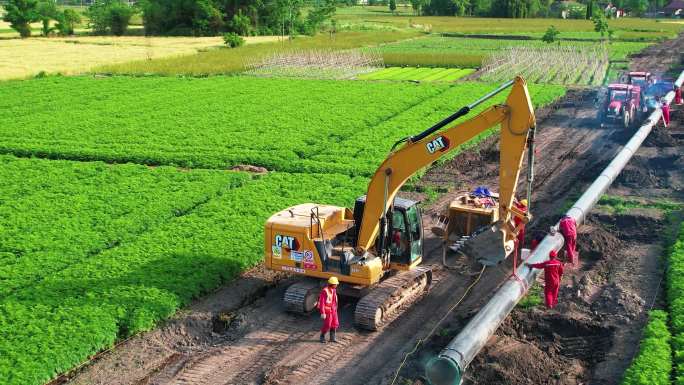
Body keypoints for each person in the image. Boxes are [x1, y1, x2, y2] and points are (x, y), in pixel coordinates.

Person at [319, 276, 339, 343]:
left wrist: (336, 308)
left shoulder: (334, 290)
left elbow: (334, 300)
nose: (337, 285)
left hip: (333, 310)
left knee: (335, 323)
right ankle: (322, 336)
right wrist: (323, 312)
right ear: (332, 284)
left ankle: (332, 338)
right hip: (328, 311)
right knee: (327, 325)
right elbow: (322, 302)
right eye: (336, 284)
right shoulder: (325, 291)